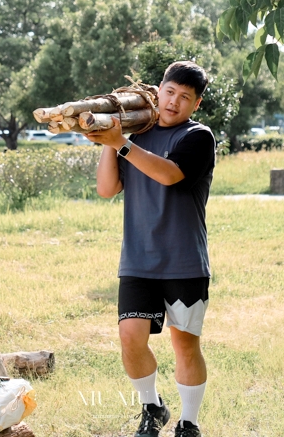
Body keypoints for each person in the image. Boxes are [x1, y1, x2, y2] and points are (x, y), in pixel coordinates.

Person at [86, 61, 216, 437]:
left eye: (185, 97)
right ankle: (152, 406)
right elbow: (107, 189)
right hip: (138, 260)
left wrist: (121, 143)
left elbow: (169, 174)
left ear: (197, 104)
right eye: (170, 91)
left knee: (185, 345)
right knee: (130, 337)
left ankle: (188, 422)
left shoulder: (198, 137)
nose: (174, 102)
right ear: (159, 89)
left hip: (184, 262)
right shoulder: (136, 134)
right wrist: (112, 141)